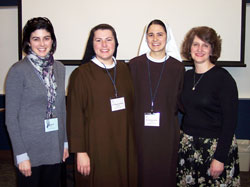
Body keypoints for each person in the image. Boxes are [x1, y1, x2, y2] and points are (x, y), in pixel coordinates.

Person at [67, 24, 137, 187]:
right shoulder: (81, 74)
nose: (104, 45)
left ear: (115, 43)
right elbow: (75, 116)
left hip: (124, 145)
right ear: (92, 44)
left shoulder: (125, 69)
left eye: (108, 40)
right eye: (99, 40)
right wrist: (80, 152)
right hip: (95, 147)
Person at [5, 17, 69, 187]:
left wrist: (64, 142)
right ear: (28, 42)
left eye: (46, 38)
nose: (42, 43)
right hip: (30, 151)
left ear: (52, 41)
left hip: (54, 146)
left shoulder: (60, 68)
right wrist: (20, 155)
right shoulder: (18, 71)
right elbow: (11, 118)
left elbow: (62, 108)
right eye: (36, 38)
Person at [176, 26, 240, 186]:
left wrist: (220, 157)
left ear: (212, 50)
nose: (199, 49)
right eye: (195, 44)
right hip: (189, 148)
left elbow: (230, 122)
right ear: (189, 48)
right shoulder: (186, 76)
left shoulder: (223, 79)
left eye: (205, 45)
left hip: (214, 148)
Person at [129, 19, 185, 187]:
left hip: (167, 133)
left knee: (164, 175)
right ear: (146, 38)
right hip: (140, 133)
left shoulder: (177, 68)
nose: (155, 39)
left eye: (160, 34)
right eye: (151, 35)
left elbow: (180, 102)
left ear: (167, 37)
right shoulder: (134, 65)